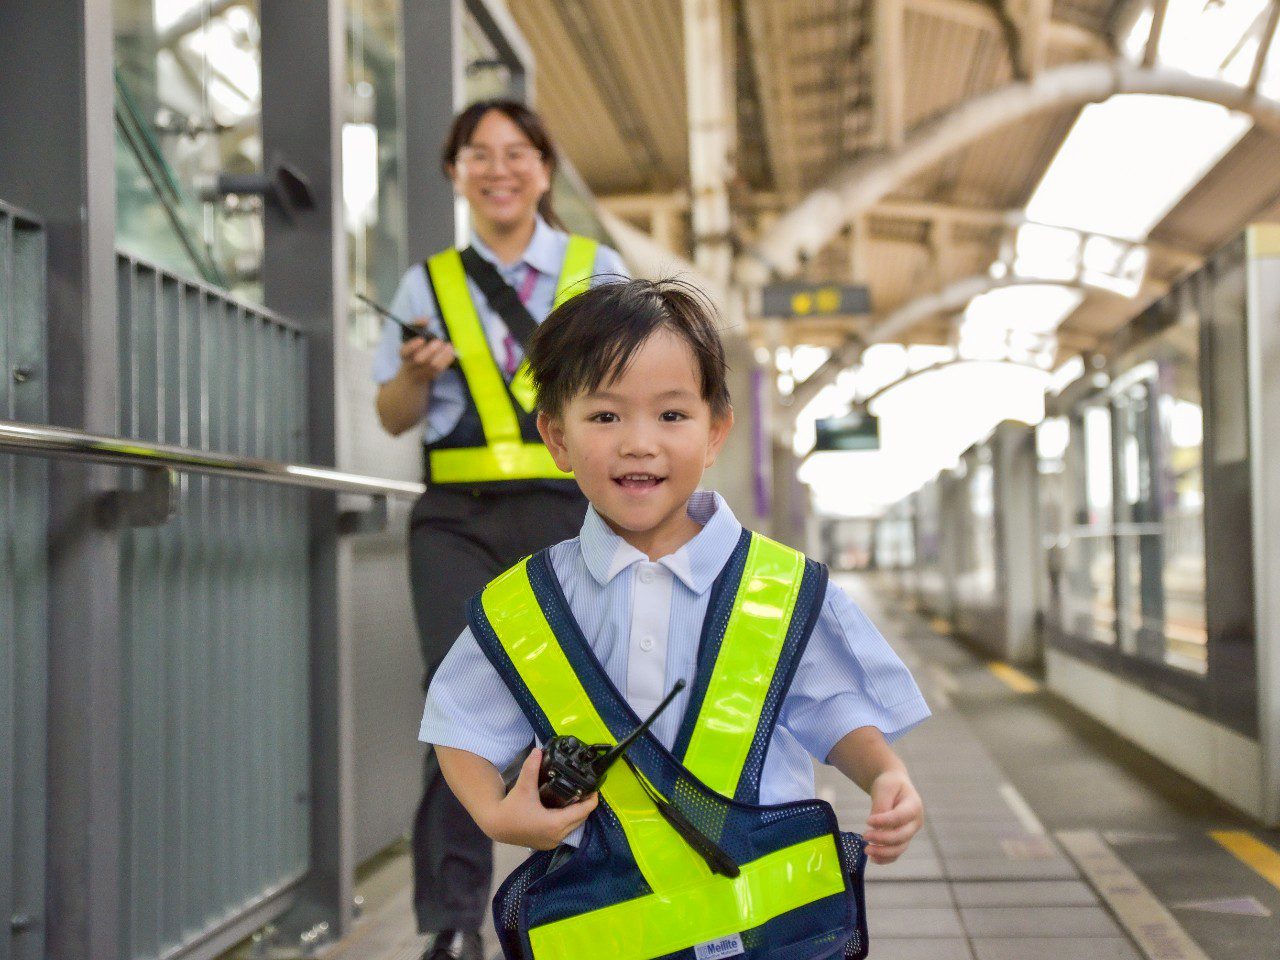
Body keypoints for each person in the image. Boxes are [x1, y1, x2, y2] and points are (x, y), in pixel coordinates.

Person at [421, 279, 930, 959]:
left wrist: (886, 775)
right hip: (612, 932)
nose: (639, 443)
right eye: (605, 417)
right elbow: (461, 722)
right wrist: (494, 813)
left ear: (715, 431)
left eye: (671, 416)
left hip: (772, 934)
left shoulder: (777, 588)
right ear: (556, 437)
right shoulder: (523, 606)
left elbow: (834, 704)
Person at [372, 99, 628, 960]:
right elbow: (394, 415)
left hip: (569, 515)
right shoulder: (426, 284)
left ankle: (588, 890)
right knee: (457, 703)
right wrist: (415, 372)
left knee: (577, 701)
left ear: (544, 169)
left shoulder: (599, 271)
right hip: (455, 518)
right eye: (477, 154)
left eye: (516, 152)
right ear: (455, 173)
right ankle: (452, 923)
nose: (497, 168)